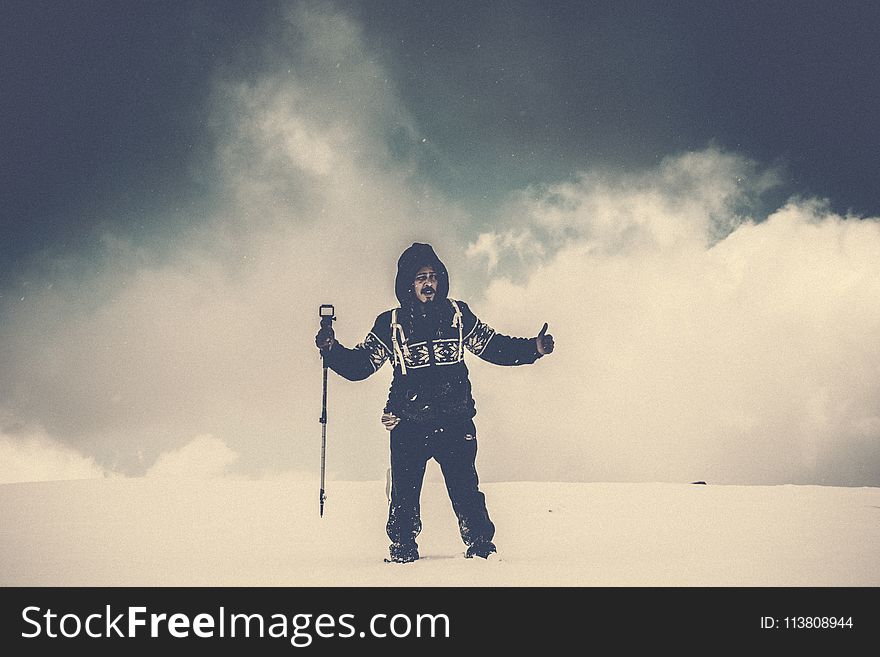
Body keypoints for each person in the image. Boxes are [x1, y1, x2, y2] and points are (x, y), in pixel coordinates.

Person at [315, 242, 554, 563]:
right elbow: (361, 365)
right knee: (404, 494)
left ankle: (482, 547)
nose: (428, 284)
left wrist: (533, 348)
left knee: (466, 488)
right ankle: (402, 549)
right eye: (420, 278)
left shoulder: (458, 315)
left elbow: (492, 346)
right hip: (407, 424)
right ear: (407, 284)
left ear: (441, 280)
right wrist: (332, 350)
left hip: (455, 421)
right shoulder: (391, 324)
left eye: (433, 277)